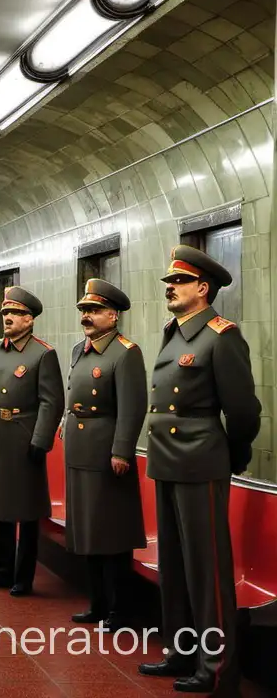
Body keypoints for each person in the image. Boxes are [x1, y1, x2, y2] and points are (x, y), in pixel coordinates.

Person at [137, 247, 261, 693]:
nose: (169, 288)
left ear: (202, 288)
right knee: (173, 563)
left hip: (200, 462)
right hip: (167, 463)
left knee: (207, 569)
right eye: (169, 282)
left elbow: (244, 411)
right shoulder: (175, 332)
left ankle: (218, 667)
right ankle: (180, 650)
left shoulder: (221, 337)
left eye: (178, 282)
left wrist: (231, 454)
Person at [61, 279, 146, 630]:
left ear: (113, 316)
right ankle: (96, 603)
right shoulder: (80, 350)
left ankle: (119, 610)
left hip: (106, 453)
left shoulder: (125, 352)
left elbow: (132, 406)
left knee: (111, 534)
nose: (87, 316)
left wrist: (122, 450)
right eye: (84, 310)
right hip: (79, 451)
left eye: (94, 311)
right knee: (87, 531)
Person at [0, 286, 64, 597]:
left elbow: (52, 402)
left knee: (25, 510)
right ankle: (0, 570)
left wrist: (40, 440)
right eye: (5, 314)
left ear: (30, 320)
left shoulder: (43, 354)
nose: (8, 318)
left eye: (15, 314)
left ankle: (23, 577)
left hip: (23, 440)